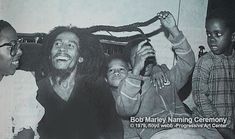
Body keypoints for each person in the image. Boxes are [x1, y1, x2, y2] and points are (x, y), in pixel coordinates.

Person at [114, 11, 223, 139]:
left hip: (187, 128)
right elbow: (126, 110)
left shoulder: (166, 78)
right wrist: (136, 71)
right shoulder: (128, 86)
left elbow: (187, 63)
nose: (145, 58)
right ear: (130, 64)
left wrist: (173, 30)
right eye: (139, 56)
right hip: (159, 132)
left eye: (148, 53)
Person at [36, 26, 123, 139]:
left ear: (80, 58)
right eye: (57, 44)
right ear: (50, 55)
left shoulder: (97, 86)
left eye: (70, 45)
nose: (62, 49)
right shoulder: (37, 90)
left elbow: (114, 132)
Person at [192, 8, 235, 139]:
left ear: (233, 37)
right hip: (207, 127)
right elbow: (200, 98)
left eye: (218, 34)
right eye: (209, 34)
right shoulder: (205, 62)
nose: (211, 39)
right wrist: (223, 128)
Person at [0, 20, 44, 139]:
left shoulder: (20, 81)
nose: (19, 52)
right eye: (12, 46)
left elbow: (26, 129)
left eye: (18, 45)